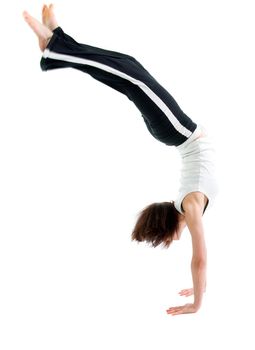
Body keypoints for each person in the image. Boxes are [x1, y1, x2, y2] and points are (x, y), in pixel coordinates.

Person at [23, 4, 218, 316]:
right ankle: (58, 42)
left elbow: (200, 258)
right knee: (130, 71)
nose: (175, 240)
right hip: (175, 132)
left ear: (168, 228)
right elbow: (201, 262)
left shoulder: (191, 205)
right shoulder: (190, 206)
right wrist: (200, 289)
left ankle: (54, 49)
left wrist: (196, 302)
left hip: (177, 131)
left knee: (133, 77)